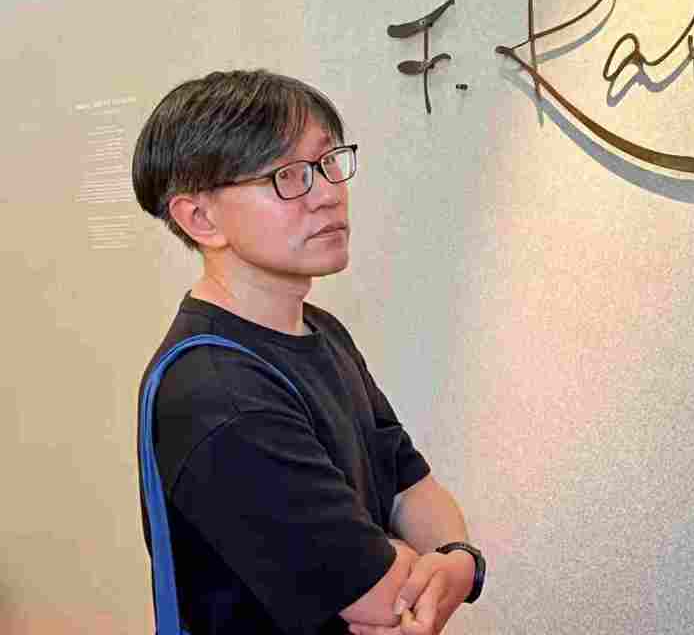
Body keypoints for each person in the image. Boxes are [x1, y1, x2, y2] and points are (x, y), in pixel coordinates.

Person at [132, 69, 485, 635]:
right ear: (201, 218)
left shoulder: (319, 328)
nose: (328, 193)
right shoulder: (217, 392)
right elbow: (380, 599)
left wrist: (457, 559)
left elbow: (408, 484)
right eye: (287, 175)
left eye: (327, 162)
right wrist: (424, 569)